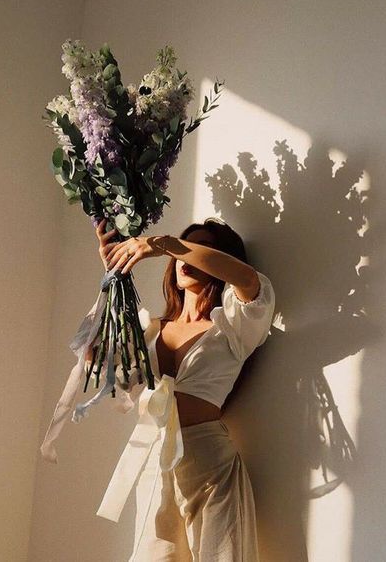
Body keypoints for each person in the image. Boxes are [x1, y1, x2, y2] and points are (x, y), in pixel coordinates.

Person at [94, 217, 276, 561]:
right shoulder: (150, 329)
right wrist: (113, 279)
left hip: (209, 466)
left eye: (197, 251)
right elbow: (108, 371)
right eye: (181, 252)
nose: (183, 260)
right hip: (152, 461)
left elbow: (249, 280)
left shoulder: (233, 326)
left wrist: (162, 243)